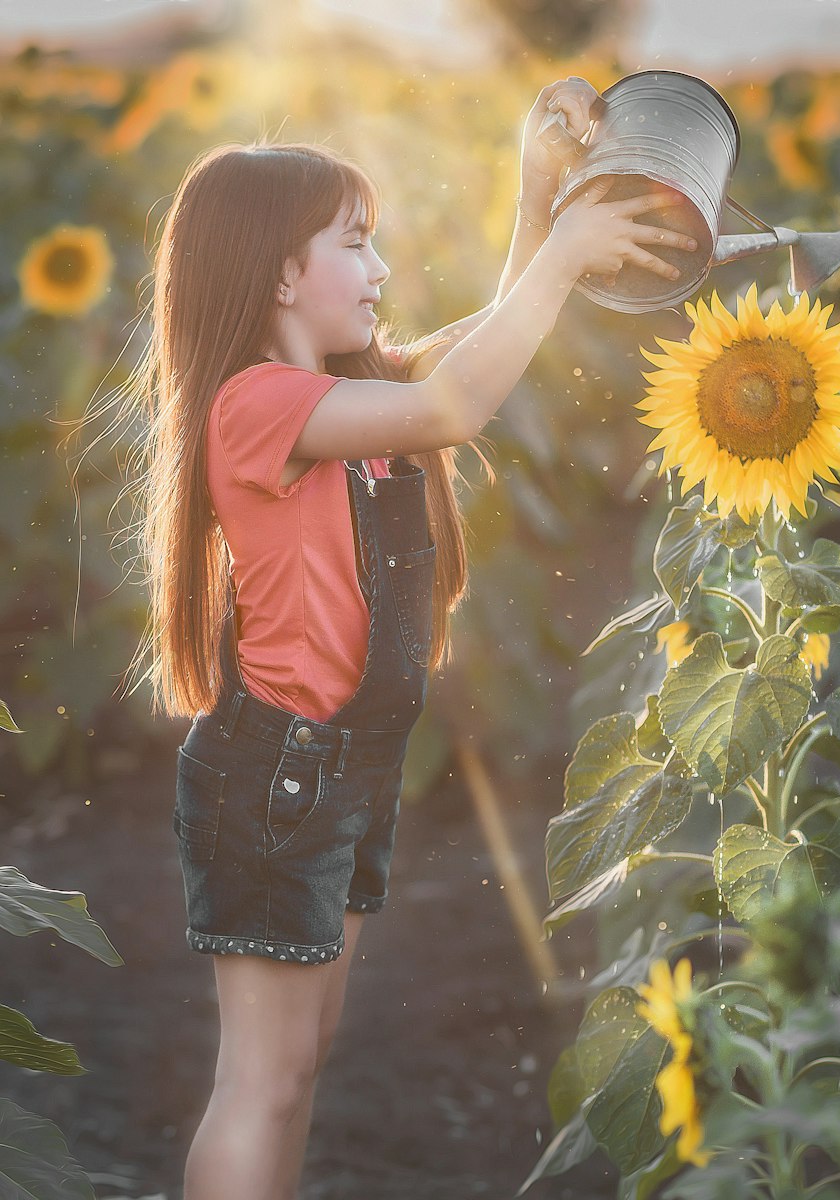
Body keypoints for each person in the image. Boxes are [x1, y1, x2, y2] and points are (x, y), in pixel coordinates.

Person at [116, 76, 697, 1200]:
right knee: (263, 1078)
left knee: (301, 1067)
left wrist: (540, 205)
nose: (380, 270)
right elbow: (452, 409)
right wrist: (568, 253)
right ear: (283, 271)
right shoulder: (257, 405)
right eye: (356, 244)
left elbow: (471, 355)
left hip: (337, 768)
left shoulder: (344, 392)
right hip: (274, 773)